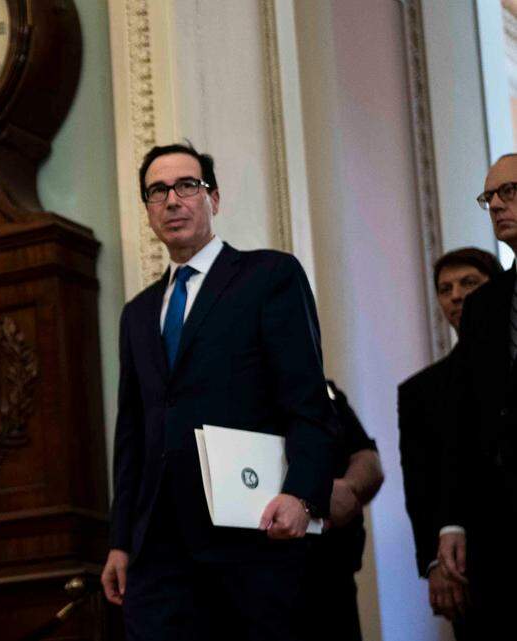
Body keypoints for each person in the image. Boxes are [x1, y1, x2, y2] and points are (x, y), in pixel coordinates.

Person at [100, 142, 336, 640]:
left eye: (187, 186)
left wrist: (303, 495)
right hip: (158, 550)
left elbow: (307, 399)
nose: (172, 200)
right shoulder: (137, 314)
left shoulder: (269, 276)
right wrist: (121, 541)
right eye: (157, 191)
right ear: (148, 210)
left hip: (249, 536)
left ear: (214, 199)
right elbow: (132, 436)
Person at [398, 247, 501, 633]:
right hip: (470, 568)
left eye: (469, 283)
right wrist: (434, 563)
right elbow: (420, 484)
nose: (456, 296)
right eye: (445, 288)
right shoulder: (420, 391)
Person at [438, 153, 517, 637]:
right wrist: (452, 523)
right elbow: (462, 421)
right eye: (489, 197)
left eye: (509, 191)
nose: (497, 205)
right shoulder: (486, 304)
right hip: (500, 527)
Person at [299, 381, 383, 641]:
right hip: (265, 578)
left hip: (333, 573)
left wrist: (348, 487)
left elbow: (369, 460)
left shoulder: (322, 389)